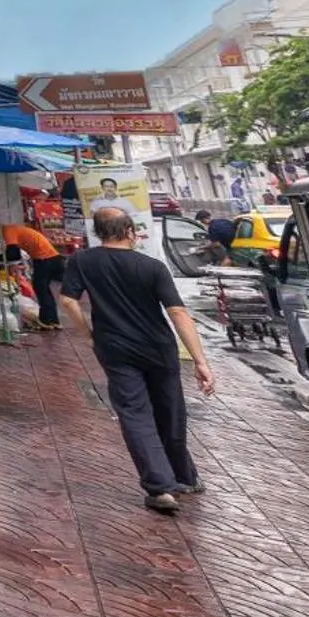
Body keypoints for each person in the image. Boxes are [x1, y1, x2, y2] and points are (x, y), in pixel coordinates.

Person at [59, 208, 216, 513]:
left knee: (135, 413)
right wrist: (200, 361)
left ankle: (161, 487)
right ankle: (181, 477)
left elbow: (67, 300)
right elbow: (178, 313)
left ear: (98, 232)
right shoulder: (152, 266)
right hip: (159, 348)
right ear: (130, 231)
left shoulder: (82, 261)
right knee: (170, 411)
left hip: (115, 348)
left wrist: (88, 334)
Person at [0, 219, 65, 329]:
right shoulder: (11, 230)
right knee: (44, 290)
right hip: (50, 258)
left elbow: (13, 254)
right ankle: (53, 320)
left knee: (40, 289)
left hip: (45, 258)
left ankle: (47, 321)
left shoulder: (7, 231)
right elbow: (14, 253)